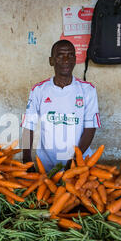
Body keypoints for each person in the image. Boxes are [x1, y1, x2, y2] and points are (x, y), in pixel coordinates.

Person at [21, 40, 101, 172]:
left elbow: (90, 128)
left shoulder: (88, 90)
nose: (66, 59)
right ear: (51, 60)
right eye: (60, 55)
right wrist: (26, 159)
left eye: (70, 55)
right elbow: (28, 126)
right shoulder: (39, 90)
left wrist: (76, 159)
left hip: (79, 164)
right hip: (47, 164)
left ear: (75, 60)